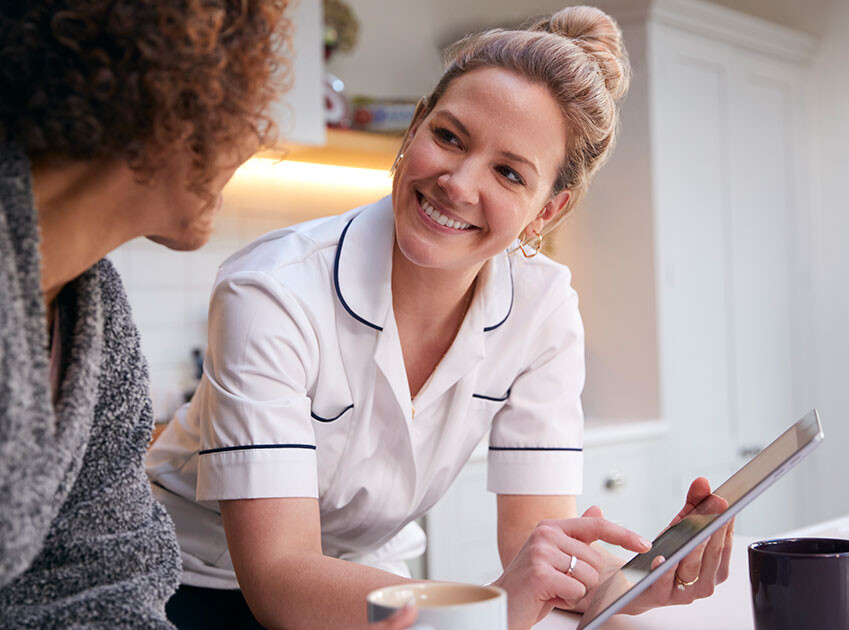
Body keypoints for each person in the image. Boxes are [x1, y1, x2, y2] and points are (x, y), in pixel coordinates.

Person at [146, 6, 734, 629]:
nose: (458, 183)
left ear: (545, 212)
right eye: (449, 137)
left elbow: (534, 547)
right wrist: (493, 607)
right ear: (414, 130)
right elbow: (279, 575)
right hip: (194, 581)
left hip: (371, 577)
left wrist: (626, 587)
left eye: (509, 173)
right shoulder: (274, 288)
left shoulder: (543, 308)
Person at [0, 1, 292, 627]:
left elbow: (95, 586)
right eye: (243, 99)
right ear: (174, 99)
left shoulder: (93, 314)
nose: (250, 140)